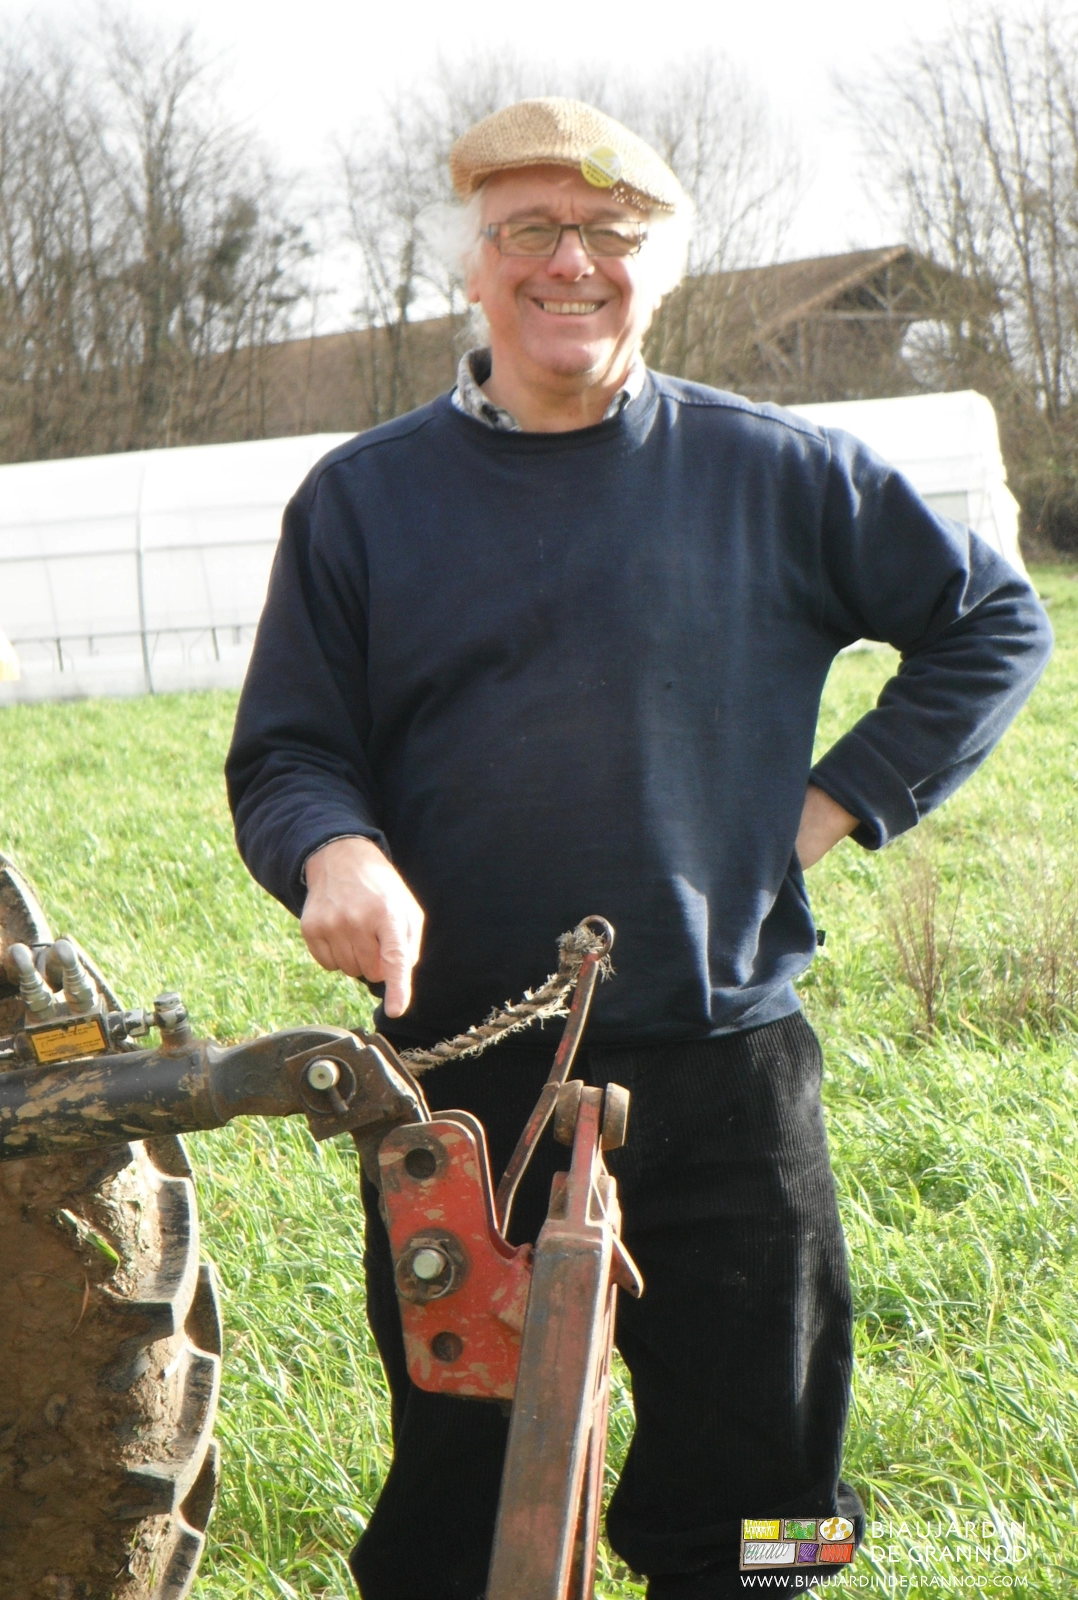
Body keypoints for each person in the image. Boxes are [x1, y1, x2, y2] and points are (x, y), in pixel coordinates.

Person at [225, 98, 1052, 1599]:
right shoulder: (362, 502)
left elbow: (994, 622)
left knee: (772, 1496)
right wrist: (334, 852)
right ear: (475, 265)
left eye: (611, 233)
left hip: (730, 1068)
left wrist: (835, 803)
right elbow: (286, 751)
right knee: (463, 1498)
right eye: (532, 230)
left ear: (660, 268)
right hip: (466, 1084)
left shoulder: (778, 472)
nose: (573, 262)